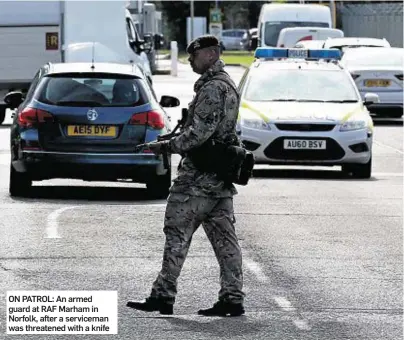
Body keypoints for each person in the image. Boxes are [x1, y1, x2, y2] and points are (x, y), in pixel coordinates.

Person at [126, 35, 245, 317]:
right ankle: (232, 298)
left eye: (195, 55)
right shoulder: (224, 83)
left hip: (197, 181)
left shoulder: (214, 88)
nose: (190, 59)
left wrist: (166, 146)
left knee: (177, 234)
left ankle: (163, 296)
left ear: (212, 54)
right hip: (218, 180)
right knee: (226, 242)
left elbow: (198, 135)